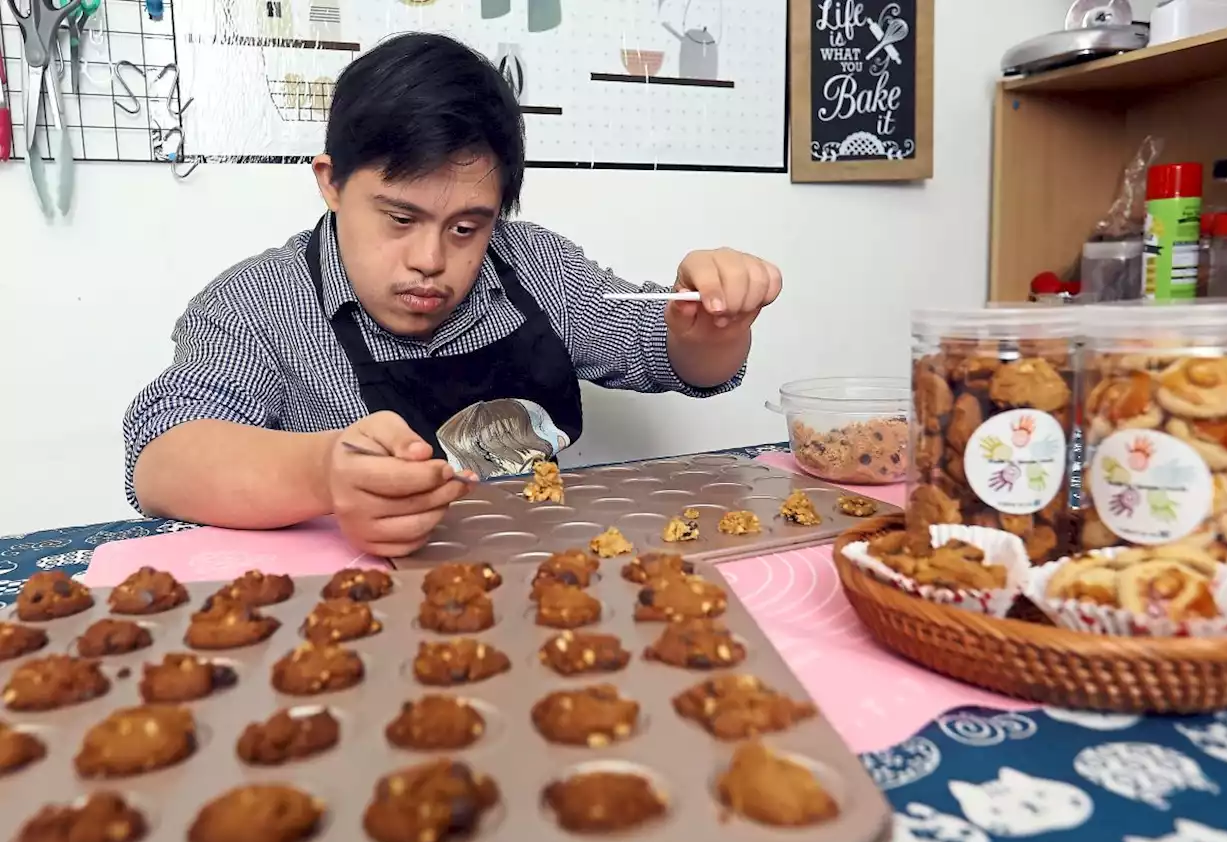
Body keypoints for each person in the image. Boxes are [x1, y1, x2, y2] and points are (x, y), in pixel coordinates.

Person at [123, 32, 782, 558]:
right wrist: (322, 471)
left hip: (545, 578)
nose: (430, 262)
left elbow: (672, 356)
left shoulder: (536, 264)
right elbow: (162, 460)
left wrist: (714, 326)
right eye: (400, 219)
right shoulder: (256, 304)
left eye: (467, 227)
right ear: (331, 182)